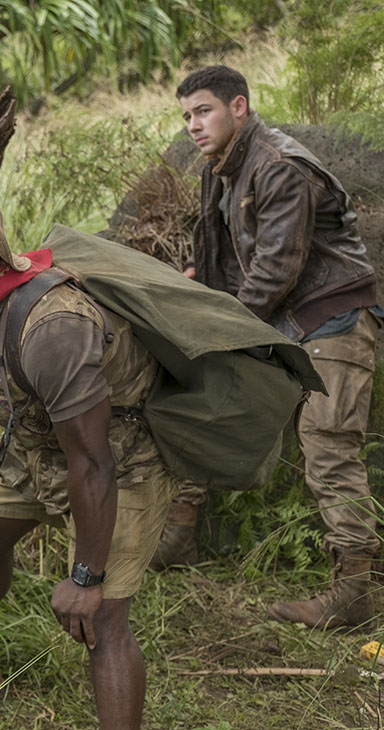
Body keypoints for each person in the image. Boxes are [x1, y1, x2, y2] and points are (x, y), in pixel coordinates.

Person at [0, 184, 177, 728]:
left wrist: (86, 577)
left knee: (103, 620)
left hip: (120, 457)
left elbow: (93, 462)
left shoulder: (52, 326)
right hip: (38, 446)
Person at [161, 65, 379, 628]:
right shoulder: (223, 169)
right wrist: (201, 293)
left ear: (239, 106)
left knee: (328, 444)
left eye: (203, 110)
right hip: (279, 323)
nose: (192, 125)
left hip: (330, 318)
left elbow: (276, 269)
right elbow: (225, 261)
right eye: (186, 115)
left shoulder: (278, 165)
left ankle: (355, 589)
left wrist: (214, 328)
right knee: (209, 406)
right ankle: (178, 536)